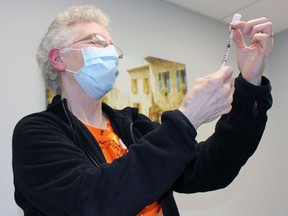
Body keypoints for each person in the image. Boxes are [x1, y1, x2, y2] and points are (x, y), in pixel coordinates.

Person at [12, 4, 273, 216]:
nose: (110, 53)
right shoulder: (36, 133)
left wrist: (250, 84)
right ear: (58, 59)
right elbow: (92, 202)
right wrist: (187, 119)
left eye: (112, 46)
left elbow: (210, 168)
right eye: (97, 42)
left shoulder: (132, 125)